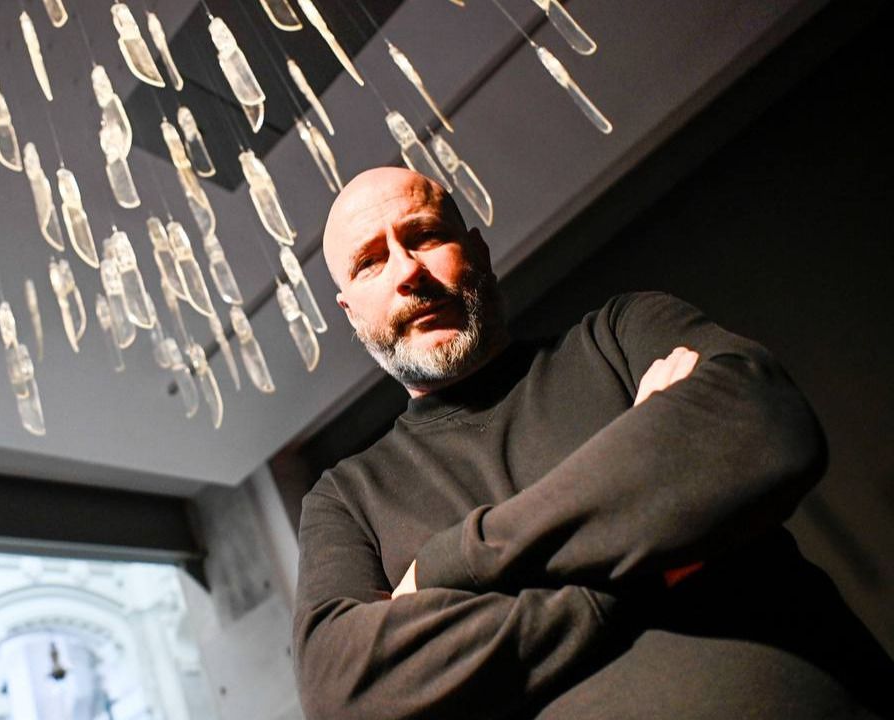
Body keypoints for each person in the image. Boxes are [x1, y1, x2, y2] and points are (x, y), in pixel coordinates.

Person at [292, 166, 893, 719]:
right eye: (370, 262)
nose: (407, 272)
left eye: (424, 236)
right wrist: (647, 555)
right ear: (350, 312)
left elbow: (765, 427)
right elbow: (344, 694)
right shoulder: (347, 499)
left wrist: (451, 564)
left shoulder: (621, 335)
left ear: (478, 251)